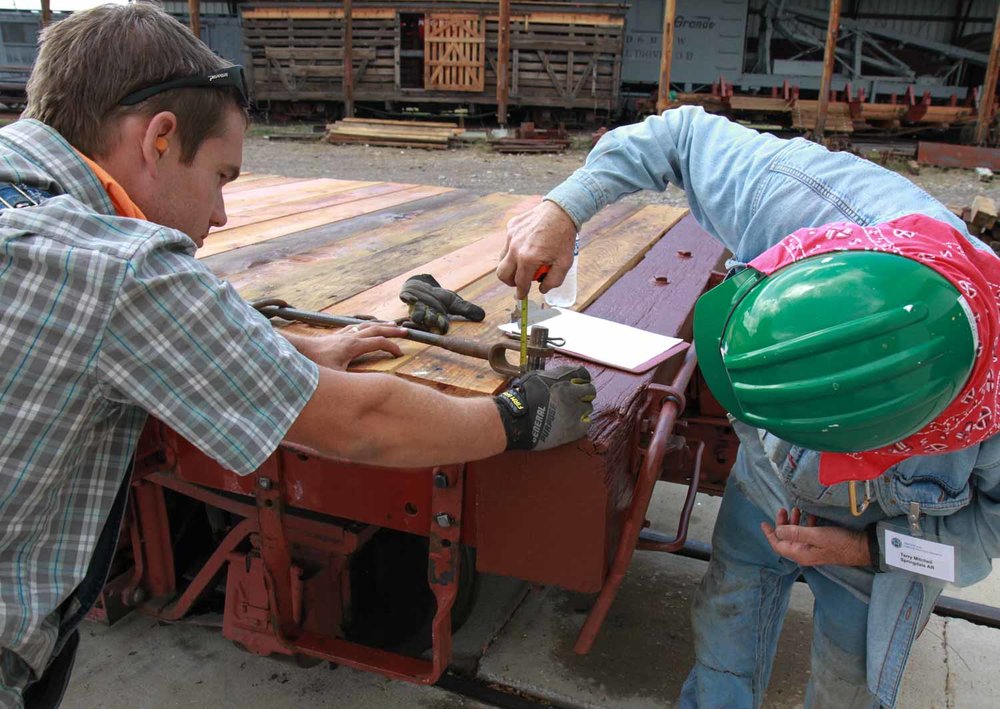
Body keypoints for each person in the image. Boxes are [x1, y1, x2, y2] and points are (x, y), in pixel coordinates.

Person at [0, 5, 595, 708]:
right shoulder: (118, 268)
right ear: (159, 139)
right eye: (223, 175)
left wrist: (302, 345)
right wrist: (517, 417)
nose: (221, 215)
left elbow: (114, 330)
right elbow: (360, 422)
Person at [496, 105, 1000, 709]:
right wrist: (564, 207)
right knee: (726, 624)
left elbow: (987, 533)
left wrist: (865, 550)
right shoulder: (800, 199)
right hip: (767, 481)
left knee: (853, 684)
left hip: (885, 529)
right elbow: (678, 135)